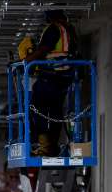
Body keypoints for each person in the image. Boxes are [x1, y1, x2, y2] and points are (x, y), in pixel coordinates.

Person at [22, 9, 79, 156]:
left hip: (53, 74)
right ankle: (51, 147)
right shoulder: (69, 29)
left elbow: (43, 50)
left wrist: (25, 61)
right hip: (65, 76)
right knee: (55, 112)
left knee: (35, 107)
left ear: (52, 16)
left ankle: (44, 145)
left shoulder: (54, 28)